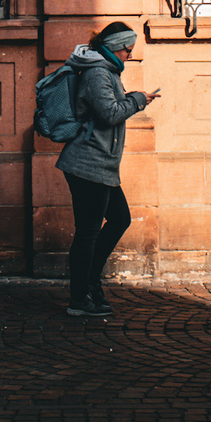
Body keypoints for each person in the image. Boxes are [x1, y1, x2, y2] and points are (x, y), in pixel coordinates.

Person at [55, 20, 162, 318]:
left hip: (100, 163)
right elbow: (109, 114)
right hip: (88, 163)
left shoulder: (105, 70)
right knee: (88, 232)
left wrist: (135, 98)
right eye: (128, 50)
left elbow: (110, 107)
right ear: (116, 47)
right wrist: (139, 100)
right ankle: (79, 298)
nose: (130, 55)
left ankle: (90, 283)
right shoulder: (99, 72)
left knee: (119, 219)